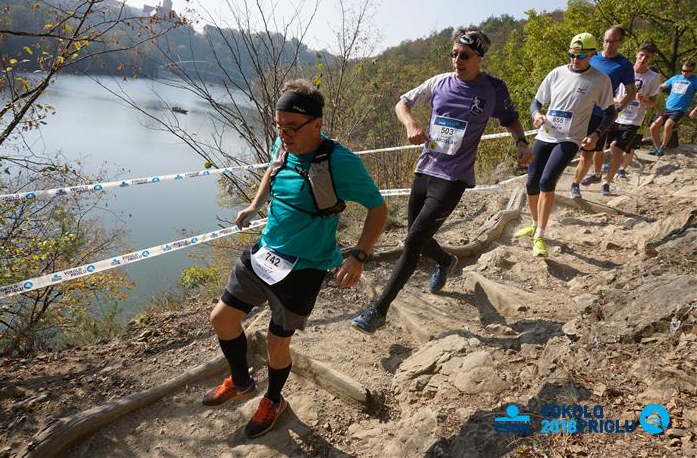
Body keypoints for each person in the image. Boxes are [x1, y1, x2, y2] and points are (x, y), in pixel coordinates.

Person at [201, 80, 387, 438]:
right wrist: (255, 205)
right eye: (279, 126)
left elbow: (378, 209)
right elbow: (272, 170)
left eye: (291, 127)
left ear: (317, 124)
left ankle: (274, 400)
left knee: (277, 344)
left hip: (304, 267)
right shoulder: (284, 143)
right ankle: (241, 382)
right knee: (222, 318)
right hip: (265, 251)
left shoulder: (339, 162)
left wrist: (359, 255)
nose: (283, 134)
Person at [350, 30, 532, 334]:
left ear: (479, 58)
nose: (457, 60)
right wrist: (410, 123)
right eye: (454, 54)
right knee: (416, 236)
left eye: (465, 56)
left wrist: (522, 143)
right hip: (425, 169)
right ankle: (446, 261)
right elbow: (402, 103)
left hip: (454, 177)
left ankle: (378, 310)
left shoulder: (493, 89)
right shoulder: (440, 82)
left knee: (412, 241)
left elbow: (510, 118)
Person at [514, 33, 615, 256]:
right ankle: (535, 224)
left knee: (547, 181)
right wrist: (536, 115)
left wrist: (596, 134)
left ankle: (540, 236)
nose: (575, 59)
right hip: (546, 134)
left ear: (592, 54)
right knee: (531, 182)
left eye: (580, 56)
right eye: (571, 55)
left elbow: (610, 113)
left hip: (570, 138)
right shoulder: (557, 73)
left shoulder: (600, 80)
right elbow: (536, 103)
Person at [571, 25, 635, 198]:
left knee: (587, 152)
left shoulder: (624, 64)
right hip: (577, 111)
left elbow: (631, 92)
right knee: (569, 148)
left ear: (620, 42)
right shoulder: (592, 56)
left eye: (613, 41)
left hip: (599, 115)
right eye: (606, 41)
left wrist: (618, 108)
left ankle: (575, 184)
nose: (608, 45)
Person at [602, 41, 661, 190]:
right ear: (636, 54)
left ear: (651, 59)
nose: (643, 59)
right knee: (610, 146)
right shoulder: (623, 69)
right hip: (615, 114)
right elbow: (607, 93)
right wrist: (616, 100)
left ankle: (607, 182)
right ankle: (603, 171)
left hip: (633, 120)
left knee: (618, 150)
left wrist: (644, 100)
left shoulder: (653, 77)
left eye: (647, 57)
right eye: (641, 55)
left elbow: (653, 103)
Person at [649, 60, 697, 156]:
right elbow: (661, 87)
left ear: (693, 71)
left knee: (668, 125)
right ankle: (657, 148)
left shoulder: (695, 81)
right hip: (666, 107)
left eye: (687, 71)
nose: (684, 73)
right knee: (653, 127)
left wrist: (695, 110)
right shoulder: (676, 78)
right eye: (683, 70)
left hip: (679, 109)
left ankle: (663, 147)